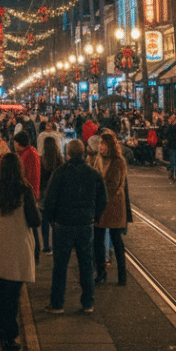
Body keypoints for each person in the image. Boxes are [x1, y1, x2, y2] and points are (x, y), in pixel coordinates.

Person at [0, 151, 40, 351]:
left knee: (1, 295)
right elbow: (35, 220)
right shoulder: (25, 190)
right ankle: (10, 335)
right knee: (13, 296)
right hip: (18, 246)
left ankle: (3, 333)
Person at [42, 139, 107, 314]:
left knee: (60, 266)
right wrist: (95, 216)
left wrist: (53, 219)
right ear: (83, 153)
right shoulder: (93, 174)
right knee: (86, 264)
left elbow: (49, 200)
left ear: (67, 154)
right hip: (85, 224)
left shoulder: (59, 173)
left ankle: (57, 304)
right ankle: (88, 303)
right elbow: (103, 199)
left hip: (63, 224)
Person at [92, 133, 128, 286]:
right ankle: (101, 273)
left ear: (111, 145)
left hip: (113, 206)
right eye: (100, 143)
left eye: (104, 143)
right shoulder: (98, 159)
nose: (101, 146)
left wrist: (97, 190)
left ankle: (122, 276)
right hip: (100, 207)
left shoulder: (118, 162)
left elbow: (114, 185)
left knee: (116, 240)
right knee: (97, 242)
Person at [37, 135, 63, 255]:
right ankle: (58, 245)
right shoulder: (60, 161)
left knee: (45, 222)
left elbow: (39, 179)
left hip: (44, 195)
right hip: (57, 196)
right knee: (57, 222)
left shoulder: (41, 161)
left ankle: (46, 246)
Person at [160, 114, 176, 180]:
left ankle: (175, 174)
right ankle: (174, 174)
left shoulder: (175, 126)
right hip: (174, 146)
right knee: (174, 161)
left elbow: (170, 135)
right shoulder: (171, 126)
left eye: (172, 118)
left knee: (175, 161)